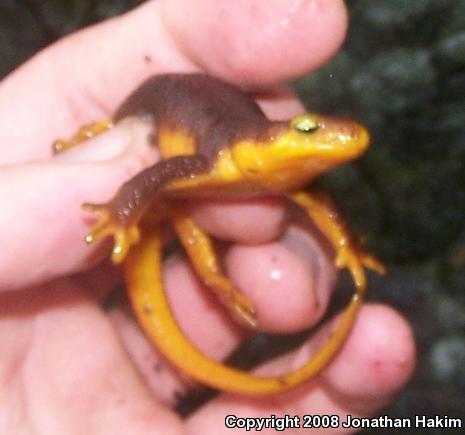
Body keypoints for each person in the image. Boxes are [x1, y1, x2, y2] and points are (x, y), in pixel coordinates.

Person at [0, 1, 415, 433]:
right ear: (269, 137)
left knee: (202, 227)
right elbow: (156, 171)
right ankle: (212, 277)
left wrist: (346, 246)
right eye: (308, 131)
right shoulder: (219, 157)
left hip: (185, 204)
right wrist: (121, 214)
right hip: (156, 110)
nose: (321, 143)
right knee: (200, 220)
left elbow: (321, 205)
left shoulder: (283, 179)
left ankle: (217, 284)